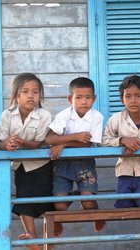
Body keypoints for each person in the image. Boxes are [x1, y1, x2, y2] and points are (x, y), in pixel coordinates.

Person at [0, 73, 53, 250]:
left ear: (40, 96)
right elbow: (1, 141)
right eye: (25, 91)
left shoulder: (44, 115)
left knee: (45, 203)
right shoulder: (7, 115)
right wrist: (8, 144)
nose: (31, 96)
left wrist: (21, 142)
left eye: (35, 92)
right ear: (16, 95)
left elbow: (38, 142)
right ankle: (33, 241)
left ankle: (48, 244)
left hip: (41, 166)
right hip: (20, 167)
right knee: (23, 201)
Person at [45, 77, 105, 233]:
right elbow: (50, 139)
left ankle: (95, 209)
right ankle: (81, 194)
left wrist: (63, 143)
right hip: (62, 164)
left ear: (94, 99)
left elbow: (87, 143)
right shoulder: (64, 115)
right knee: (60, 205)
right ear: (70, 99)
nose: (84, 102)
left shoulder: (96, 117)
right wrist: (74, 137)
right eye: (78, 97)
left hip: (84, 164)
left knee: (87, 203)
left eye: (88, 97)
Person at [102, 75, 140, 208]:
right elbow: (104, 140)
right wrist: (122, 140)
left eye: (138, 96)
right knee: (123, 205)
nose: (133, 100)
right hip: (125, 170)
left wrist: (139, 141)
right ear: (122, 100)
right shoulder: (116, 119)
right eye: (128, 96)